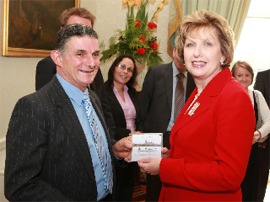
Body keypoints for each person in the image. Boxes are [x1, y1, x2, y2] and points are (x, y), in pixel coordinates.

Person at [5, 24, 133, 201]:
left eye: (95, 54)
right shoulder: (33, 107)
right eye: (80, 54)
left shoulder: (93, 98)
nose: (91, 63)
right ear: (58, 57)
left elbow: (88, 151)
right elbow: (20, 185)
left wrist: (113, 151)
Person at [137, 10, 255, 201]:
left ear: (224, 54)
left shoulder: (234, 97)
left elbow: (228, 175)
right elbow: (199, 152)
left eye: (208, 44)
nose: (197, 53)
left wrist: (164, 167)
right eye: (191, 44)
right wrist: (169, 157)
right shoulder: (197, 92)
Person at [139, 48, 195, 201]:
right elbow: (143, 106)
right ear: (174, 51)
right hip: (157, 138)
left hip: (183, 140)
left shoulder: (196, 77)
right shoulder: (156, 72)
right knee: (154, 186)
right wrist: (142, 134)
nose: (182, 57)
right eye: (180, 52)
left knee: (178, 183)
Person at [99, 55, 142, 201]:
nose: (125, 72)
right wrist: (131, 133)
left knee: (128, 189)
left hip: (135, 146)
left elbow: (140, 118)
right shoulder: (102, 92)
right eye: (122, 67)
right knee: (114, 191)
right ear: (114, 67)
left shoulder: (133, 93)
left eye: (130, 70)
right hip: (115, 147)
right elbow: (107, 126)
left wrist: (140, 133)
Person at [35, 7, 104, 92]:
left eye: (87, 30)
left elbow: (100, 98)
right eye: (74, 30)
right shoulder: (48, 65)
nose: (82, 35)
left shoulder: (93, 64)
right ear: (61, 31)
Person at [232, 61, 270, 202]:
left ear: (252, 77)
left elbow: (269, 121)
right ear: (233, 77)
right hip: (232, 151)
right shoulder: (226, 95)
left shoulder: (257, 95)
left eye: (247, 75)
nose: (243, 78)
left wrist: (258, 134)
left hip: (253, 151)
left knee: (251, 187)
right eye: (239, 75)